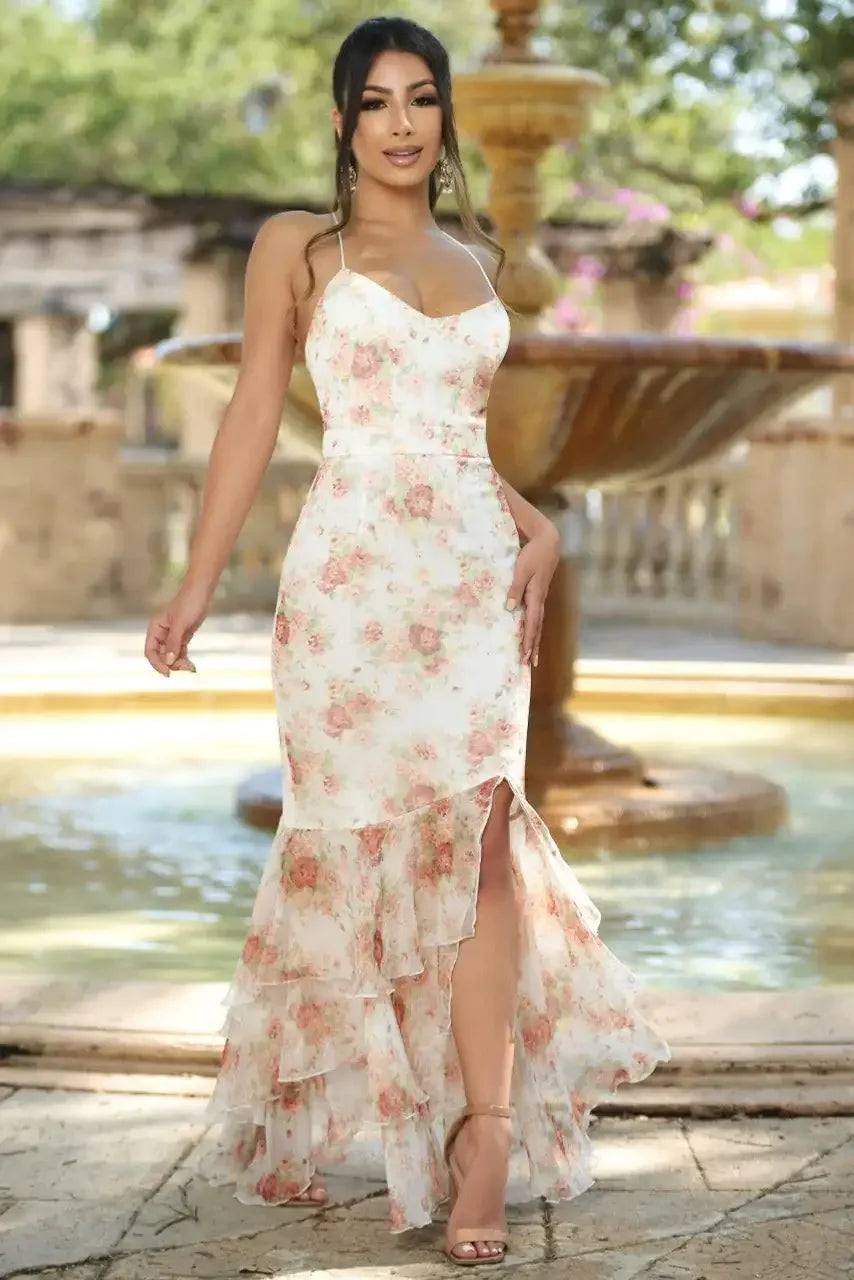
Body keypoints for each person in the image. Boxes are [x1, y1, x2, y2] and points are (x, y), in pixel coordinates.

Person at [143, 15, 671, 1269]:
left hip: (468, 585)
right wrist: (195, 585)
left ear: (442, 119)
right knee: (359, 847)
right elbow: (254, 417)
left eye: (420, 99)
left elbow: (453, 445)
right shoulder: (299, 247)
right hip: (347, 589)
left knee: (480, 840)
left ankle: (483, 1131)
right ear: (342, 122)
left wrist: (536, 522)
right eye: (375, 101)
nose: (399, 122)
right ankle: (402, 1117)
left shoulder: (477, 257)